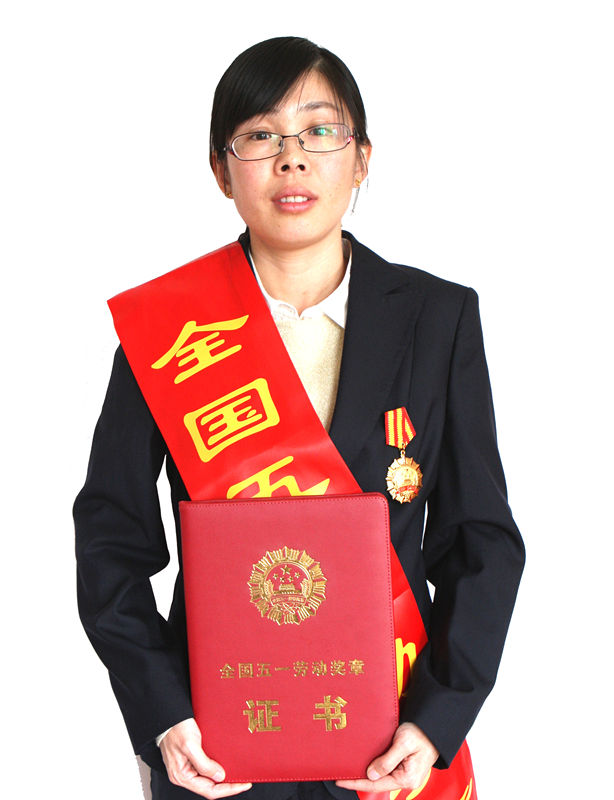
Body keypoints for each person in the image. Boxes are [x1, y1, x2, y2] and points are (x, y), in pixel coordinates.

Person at [74, 36, 525, 800]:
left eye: (320, 130)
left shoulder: (437, 317)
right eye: (261, 135)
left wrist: (435, 722)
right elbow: (110, 541)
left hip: (391, 744)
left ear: (362, 158)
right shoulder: (170, 334)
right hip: (216, 751)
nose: (292, 159)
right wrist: (163, 716)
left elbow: (481, 541)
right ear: (221, 170)